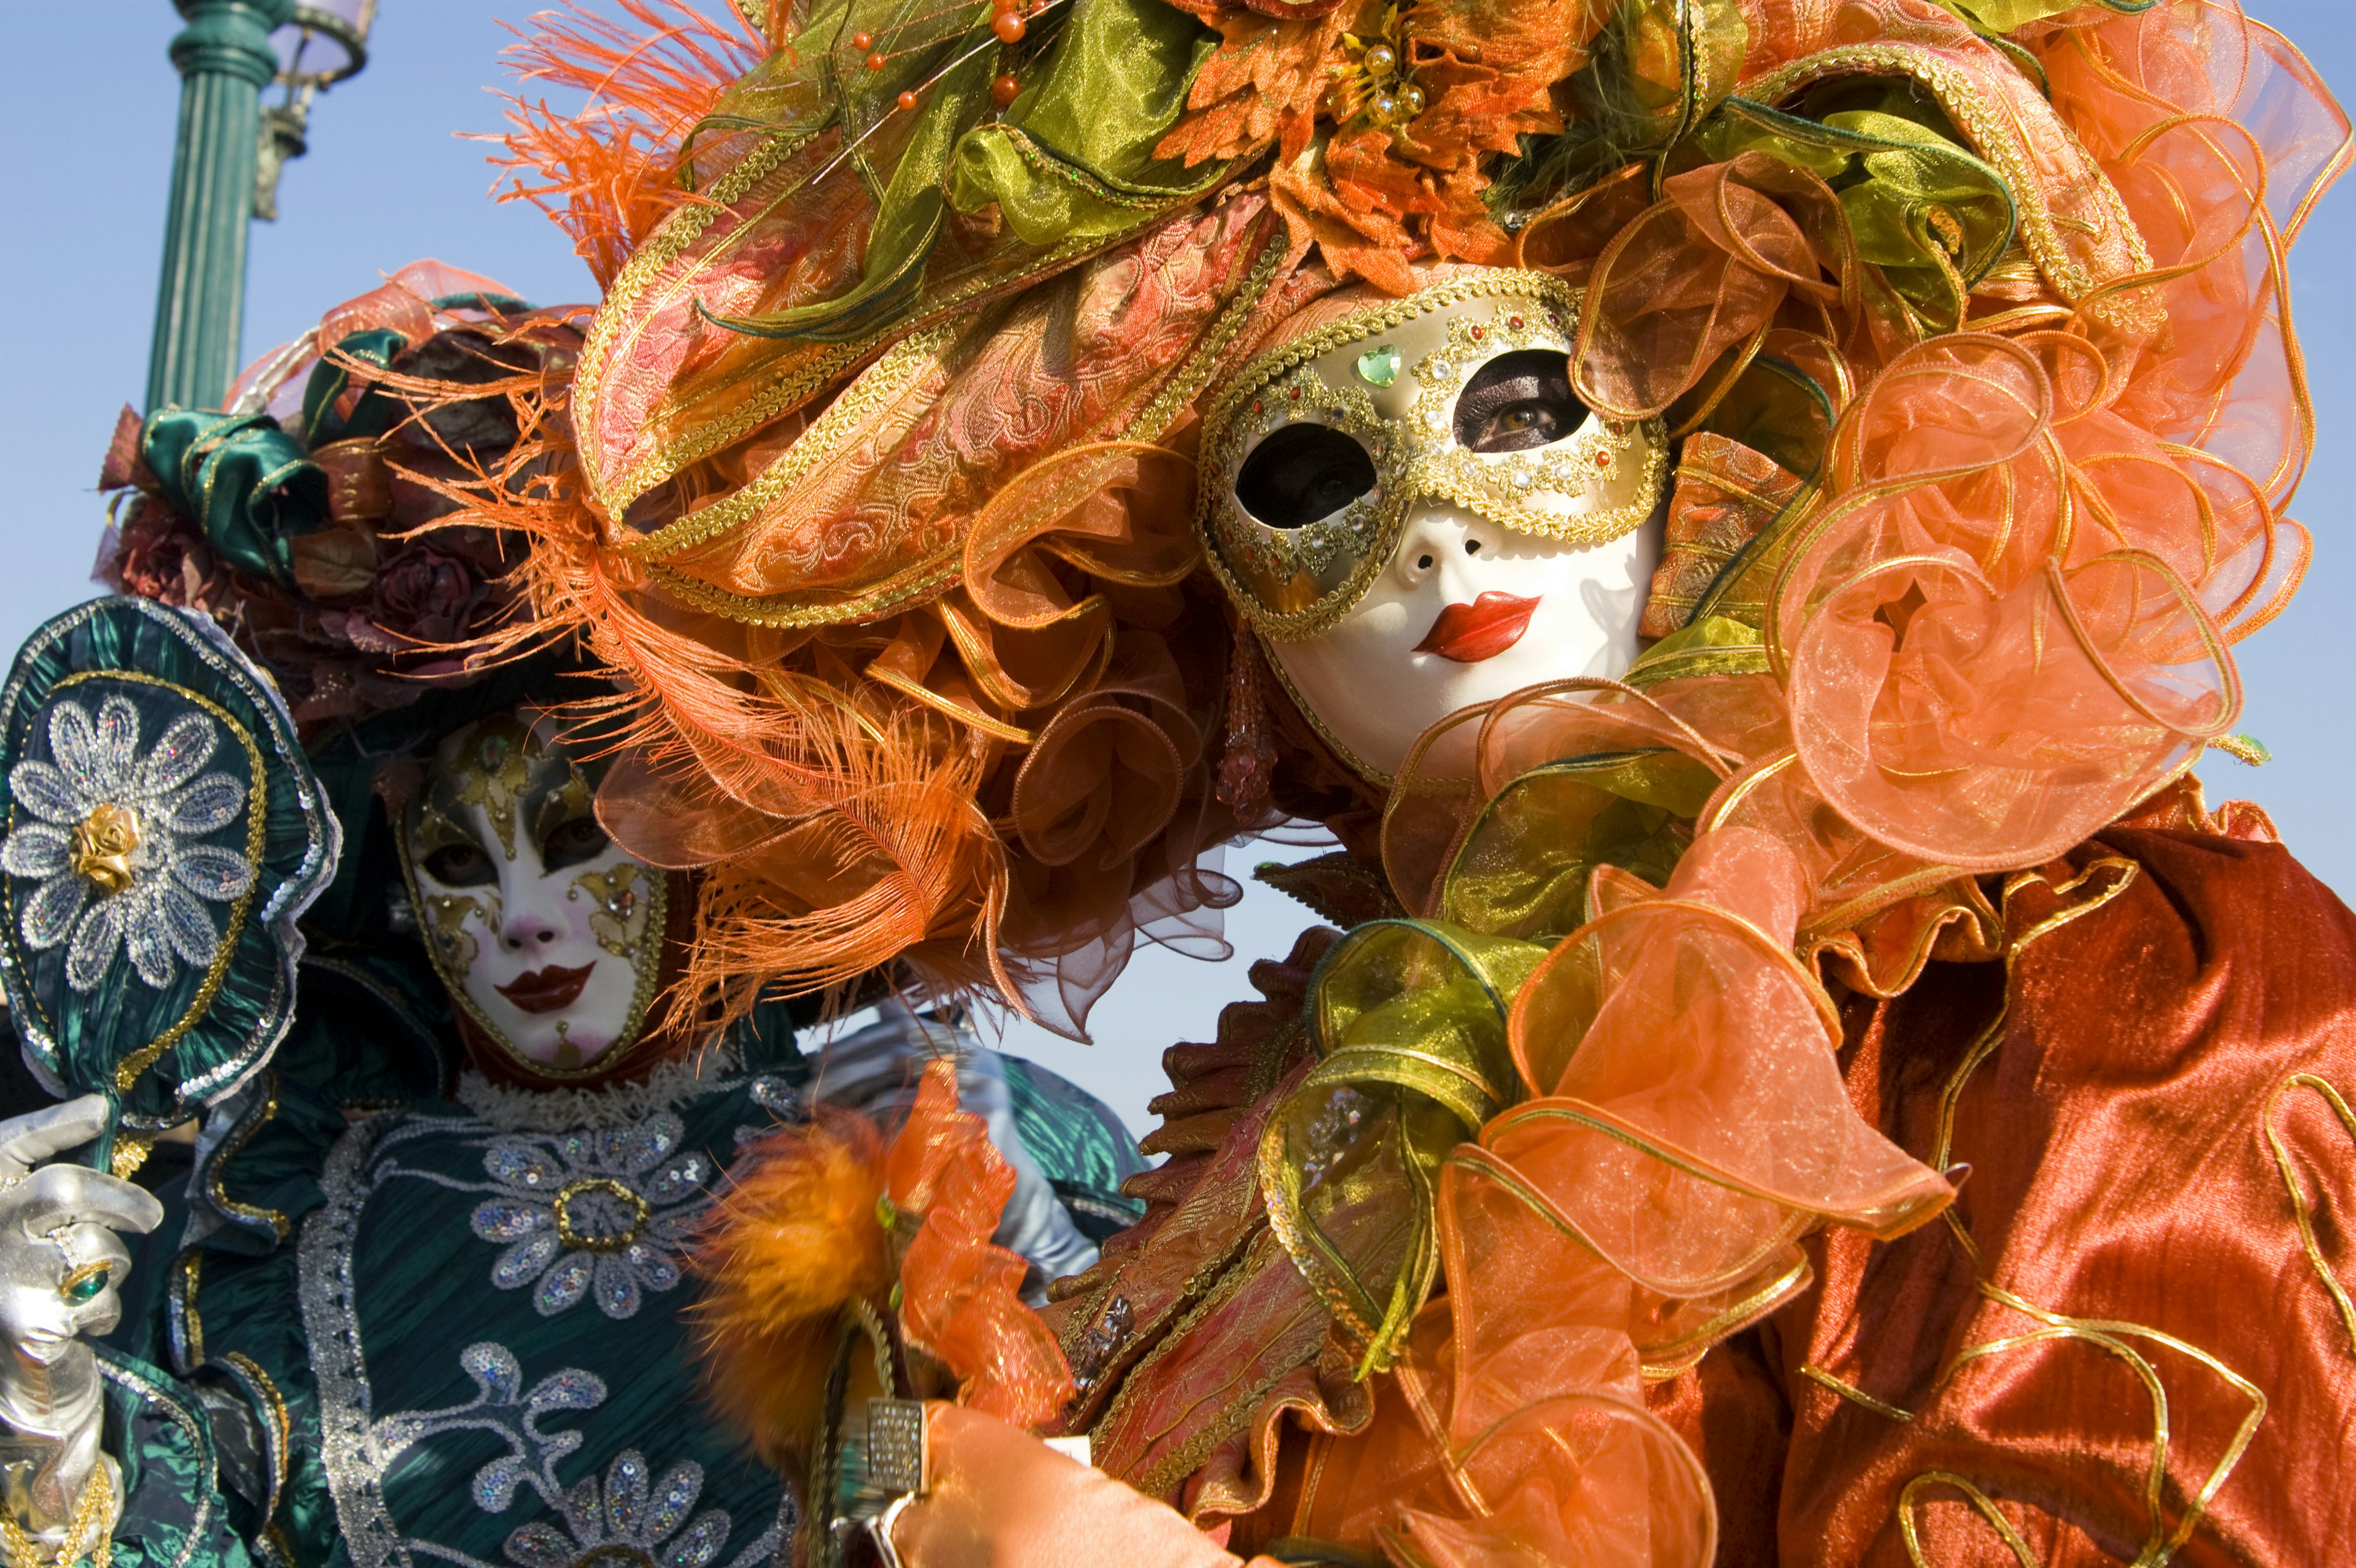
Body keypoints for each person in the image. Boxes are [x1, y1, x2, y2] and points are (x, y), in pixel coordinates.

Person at [487, 0, 2356, 1562]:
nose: (1450, 543)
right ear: (1234, 646)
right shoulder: (1301, 1112)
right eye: (1310, 482)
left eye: (1526, 410)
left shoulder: (2102, 995)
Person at [0, 266, 1145, 1568]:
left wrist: (996, 1327)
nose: (526, 924)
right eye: (459, 867)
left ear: (701, 848)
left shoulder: (898, 1153)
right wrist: (48, 1424)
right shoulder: (312, 1229)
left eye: (577, 843)